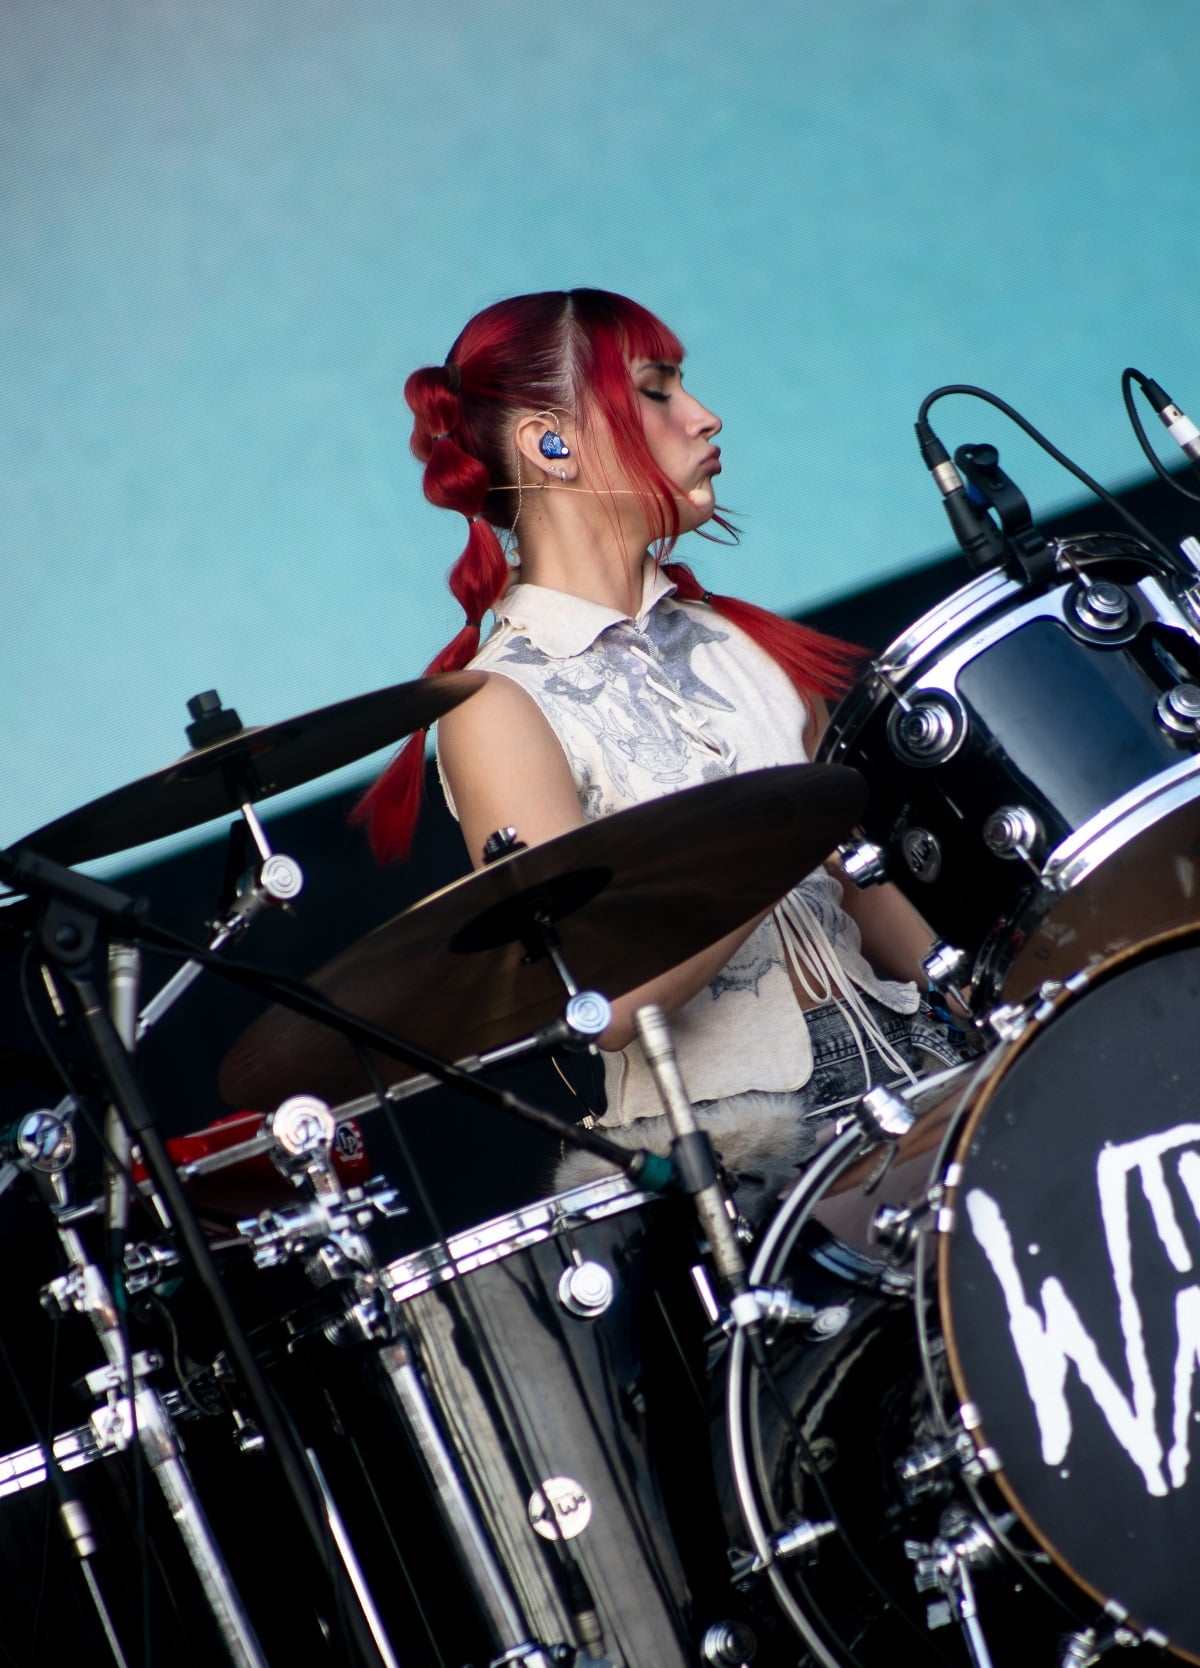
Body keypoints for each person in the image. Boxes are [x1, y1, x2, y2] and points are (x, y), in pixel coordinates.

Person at [355, 289, 970, 1222]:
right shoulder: (497, 705)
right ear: (550, 441)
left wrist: (993, 1012)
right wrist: (777, 837)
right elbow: (607, 998)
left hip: (918, 1071)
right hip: (726, 1157)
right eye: (656, 390)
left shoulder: (747, 645)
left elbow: (864, 893)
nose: (704, 415)